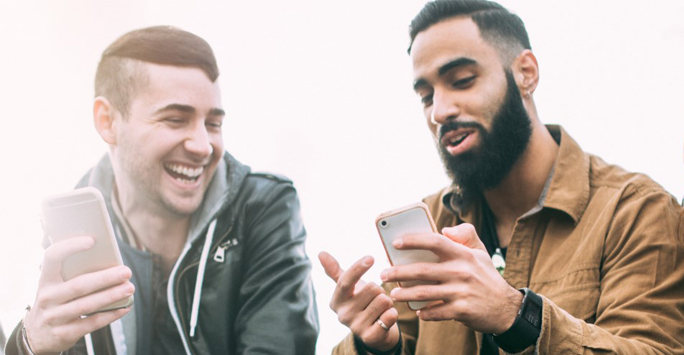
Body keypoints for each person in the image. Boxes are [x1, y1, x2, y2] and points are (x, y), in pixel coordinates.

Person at [320, 1, 684, 354]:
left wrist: (516, 316)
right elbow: (396, 338)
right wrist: (375, 345)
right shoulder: (432, 224)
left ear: (526, 73)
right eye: (427, 96)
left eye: (461, 81)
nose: (440, 112)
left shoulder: (636, 211)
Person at [5, 26, 318, 355]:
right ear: (108, 121)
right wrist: (29, 344)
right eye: (175, 119)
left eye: (213, 124)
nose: (202, 146)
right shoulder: (75, 231)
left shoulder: (261, 208)